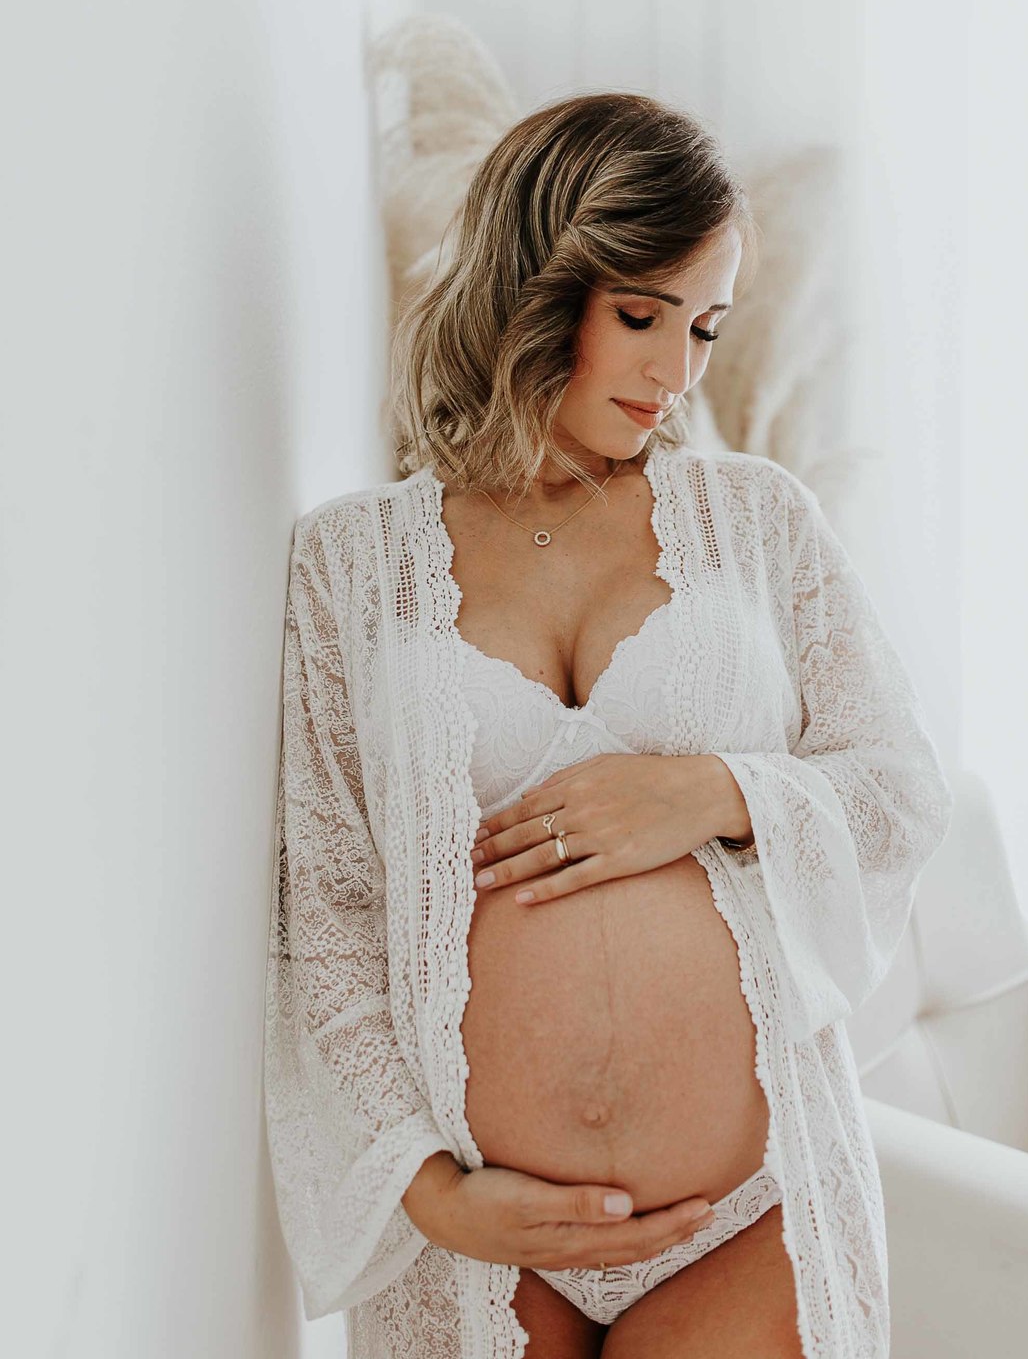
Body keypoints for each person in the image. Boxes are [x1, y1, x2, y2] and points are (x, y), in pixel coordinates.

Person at [263, 92, 955, 1359]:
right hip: (478, 1235)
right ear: (535, 285)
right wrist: (434, 1196)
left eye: (705, 327)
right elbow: (331, 909)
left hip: (752, 1210)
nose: (676, 372)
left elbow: (902, 787)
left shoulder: (758, 520)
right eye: (641, 316)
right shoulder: (351, 565)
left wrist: (717, 791)